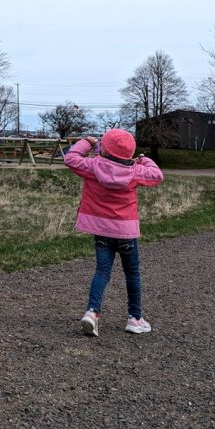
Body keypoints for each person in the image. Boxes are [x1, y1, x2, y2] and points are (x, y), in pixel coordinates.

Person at [64, 128, 163, 337]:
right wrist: (143, 160)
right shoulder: (135, 171)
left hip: (101, 231)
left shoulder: (92, 167)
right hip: (126, 233)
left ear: (104, 148)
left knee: (102, 272)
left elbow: (71, 158)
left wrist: (87, 142)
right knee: (132, 274)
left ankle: (92, 313)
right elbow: (157, 175)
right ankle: (135, 318)